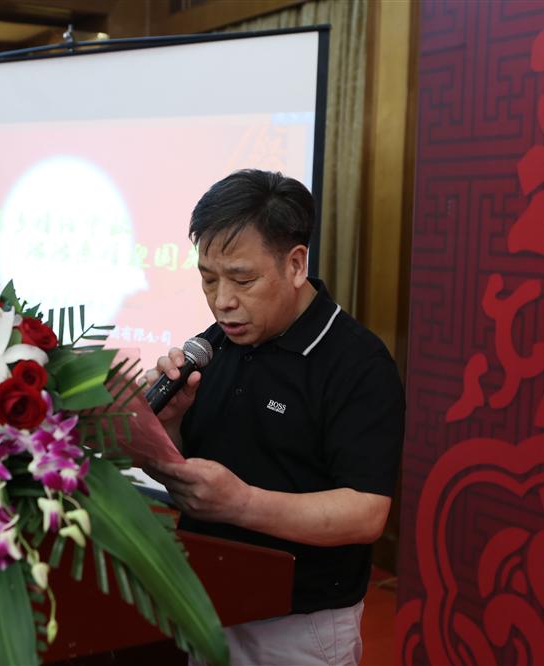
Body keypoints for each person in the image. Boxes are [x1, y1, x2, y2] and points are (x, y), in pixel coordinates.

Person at [145, 169, 404, 666]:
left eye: (243, 279)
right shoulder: (215, 343)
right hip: (205, 600)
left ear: (296, 264)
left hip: (298, 624)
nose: (222, 301)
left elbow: (366, 512)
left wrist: (242, 504)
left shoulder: (358, 363)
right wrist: (169, 426)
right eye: (208, 279)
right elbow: (199, 464)